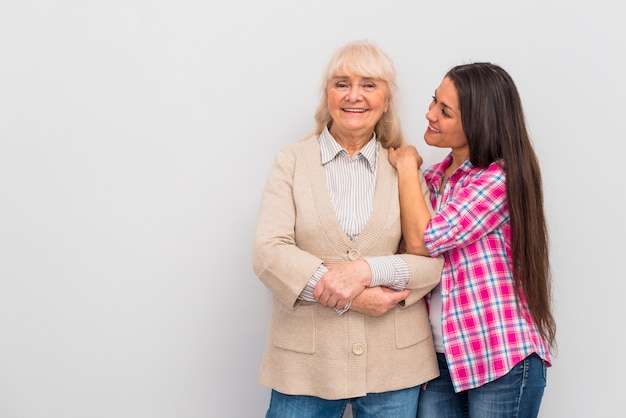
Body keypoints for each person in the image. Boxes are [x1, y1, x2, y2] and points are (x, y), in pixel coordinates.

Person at [251, 40, 444, 417]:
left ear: (387, 100)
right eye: (342, 83)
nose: (354, 95)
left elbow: (431, 262)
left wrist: (366, 270)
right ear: (328, 95)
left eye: (369, 85)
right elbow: (268, 253)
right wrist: (354, 299)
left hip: (395, 367)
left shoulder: (403, 169)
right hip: (305, 368)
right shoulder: (291, 162)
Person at [388, 62, 557, 417]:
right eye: (435, 100)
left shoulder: (499, 179)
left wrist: (405, 165)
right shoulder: (433, 179)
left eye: (444, 111)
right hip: (438, 358)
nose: (429, 113)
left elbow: (422, 240)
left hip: (499, 358)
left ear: (479, 122)